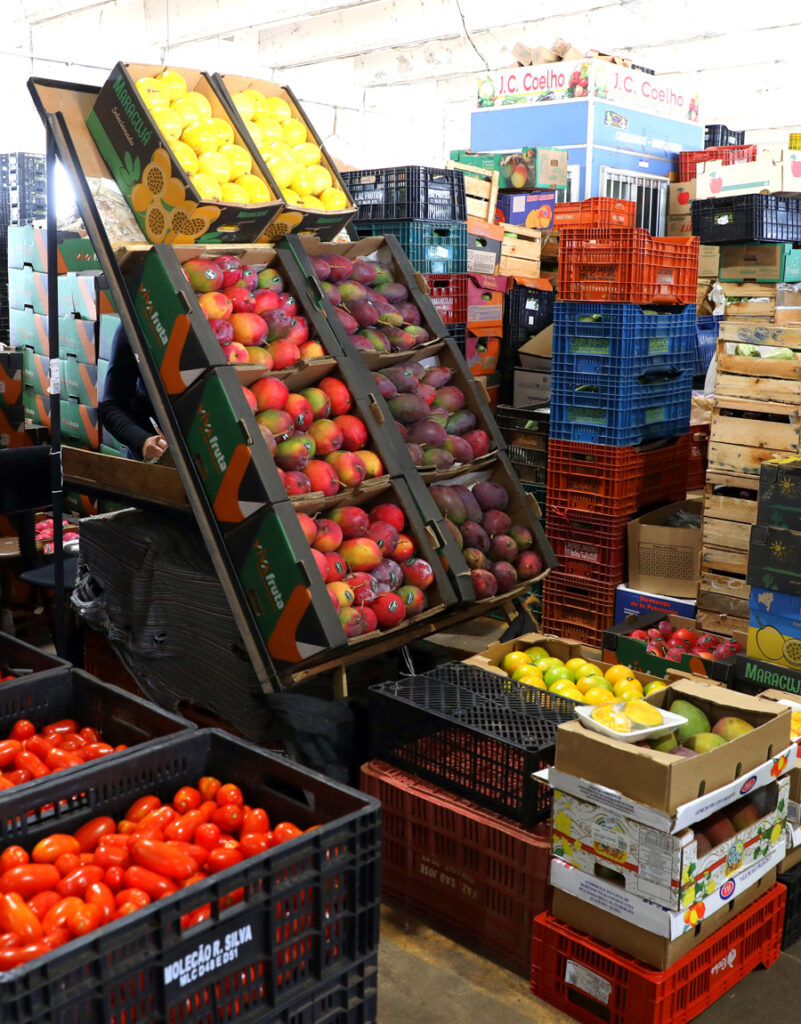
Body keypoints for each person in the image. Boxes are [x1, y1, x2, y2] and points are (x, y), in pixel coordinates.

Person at [98, 326, 168, 461]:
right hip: (158, 458)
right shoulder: (136, 326)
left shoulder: (217, 329)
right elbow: (111, 407)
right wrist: (143, 441)